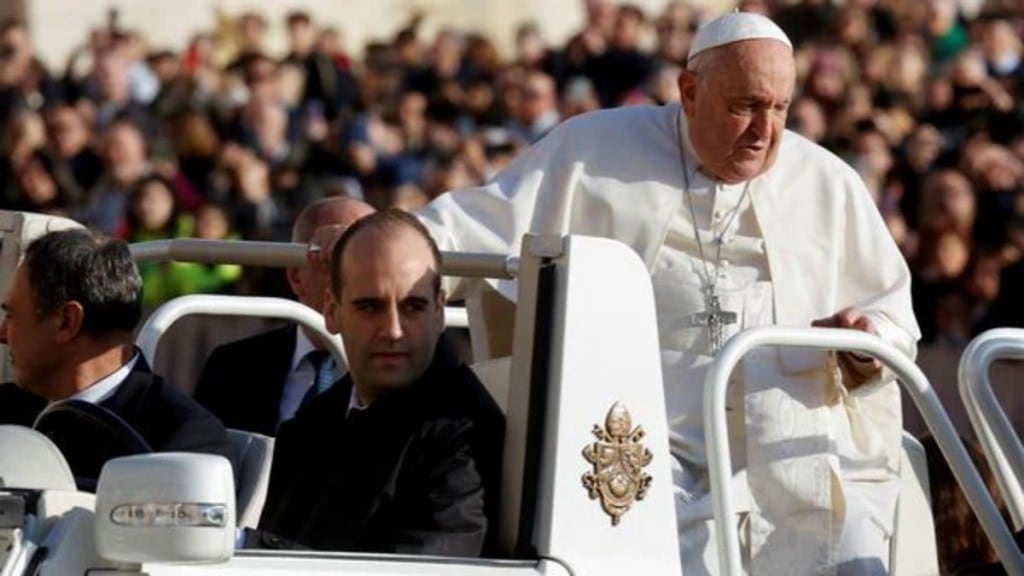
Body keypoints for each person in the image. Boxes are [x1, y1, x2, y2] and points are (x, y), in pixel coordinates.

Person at [410, 11, 920, 575]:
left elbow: (893, 316)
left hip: (791, 456)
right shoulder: (594, 150)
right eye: (746, 106)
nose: (765, 131)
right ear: (690, 92)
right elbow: (471, 228)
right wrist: (384, 253)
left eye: (780, 108)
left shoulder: (826, 183)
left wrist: (865, 342)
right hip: (645, 455)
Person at [258, 209, 504, 556]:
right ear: (332, 311)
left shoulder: (465, 434)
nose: (393, 330)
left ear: (439, 312)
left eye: (413, 307)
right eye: (369, 307)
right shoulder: (310, 425)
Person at [0, 228, 231, 471]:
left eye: (12, 316)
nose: (3, 334)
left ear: (67, 322)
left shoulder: (183, 441)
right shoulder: (9, 411)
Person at [194, 196, 374, 436]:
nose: (359, 276)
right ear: (296, 278)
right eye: (335, 259)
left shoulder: (403, 368)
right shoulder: (233, 366)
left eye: (369, 260)